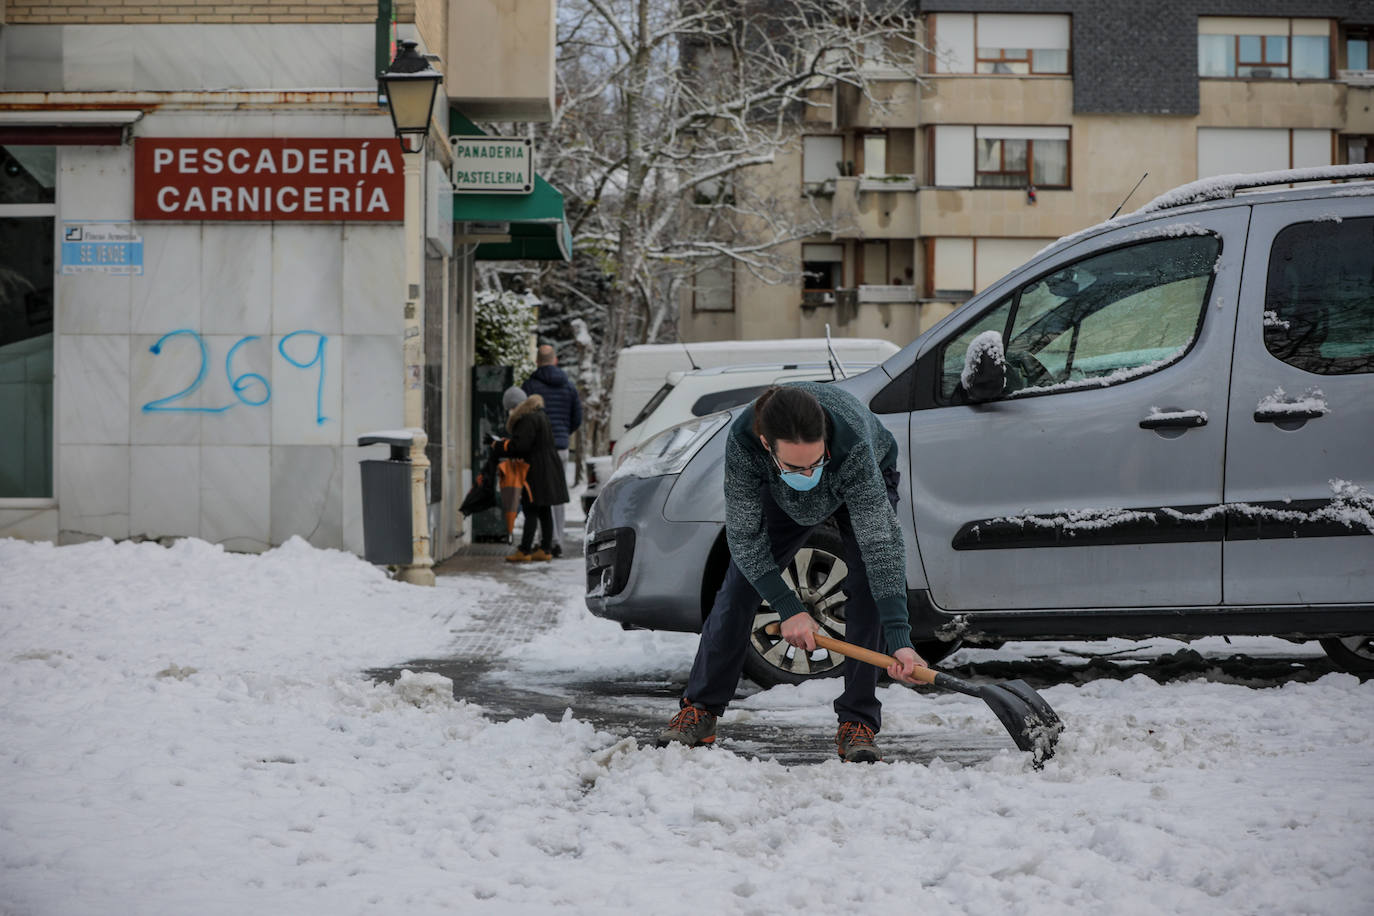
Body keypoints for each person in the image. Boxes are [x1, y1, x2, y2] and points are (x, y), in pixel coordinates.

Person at [656, 382, 926, 763]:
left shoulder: (852, 446)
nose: (809, 472)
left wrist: (900, 638)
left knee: (867, 584)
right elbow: (746, 541)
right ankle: (701, 709)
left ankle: (858, 722)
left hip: (861, 476)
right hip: (780, 492)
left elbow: (882, 547)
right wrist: (788, 607)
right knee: (738, 588)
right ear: (767, 444)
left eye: (816, 462)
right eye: (797, 465)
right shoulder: (744, 443)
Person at [494, 385, 569, 563]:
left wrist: (500, 446)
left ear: (514, 405)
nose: (510, 412)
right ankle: (545, 548)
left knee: (531, 509)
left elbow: (521, 447)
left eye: (510, 408)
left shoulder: (526, 419)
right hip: (548, 467)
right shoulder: (540, 415)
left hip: (535, 470)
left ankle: (524, 550)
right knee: (544, 509)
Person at [521, 345, 582, 557]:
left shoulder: (529, 386)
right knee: (557, 494)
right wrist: (563, 433)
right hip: (561, 448)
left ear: (537, 361)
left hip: (538, 450)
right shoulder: (569, 386)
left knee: (539, 495)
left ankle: (544, 540)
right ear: (555, 360)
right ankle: (557, 541)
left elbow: (524, 417)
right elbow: (577, 418)